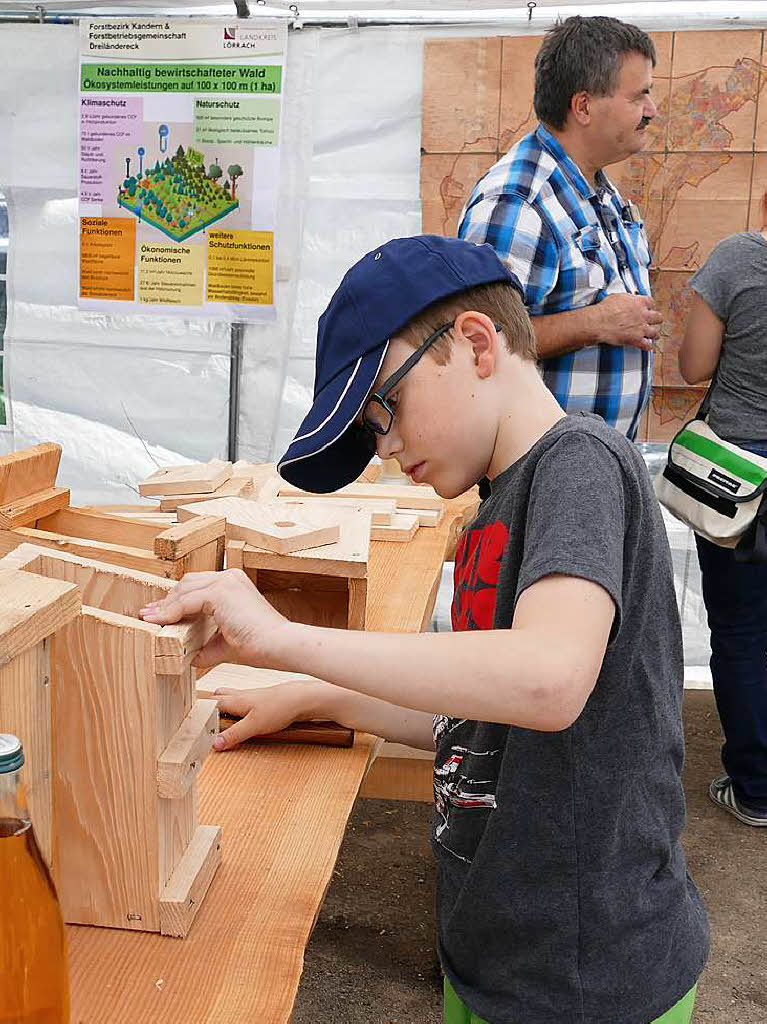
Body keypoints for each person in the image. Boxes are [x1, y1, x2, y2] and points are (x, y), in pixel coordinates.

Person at [142, 235, 708, 1024]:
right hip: (500, 956)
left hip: (587, 977)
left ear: (474, 343)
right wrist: (321, 697)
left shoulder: (578, 463)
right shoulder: (497, 503)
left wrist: (279, 637)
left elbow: (546, 681)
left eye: (385, 408)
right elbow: (488, 717)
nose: (385, 446)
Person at [459, 15, 663, 439]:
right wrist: (597, 323)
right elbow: (481, 341)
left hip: (590, 468)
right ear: (584, 106)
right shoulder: (517, 202)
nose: (651, 110)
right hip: (546, 476)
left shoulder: (598, 189)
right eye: (639, 95)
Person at [678, 205, 767, 827]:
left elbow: (693, 367)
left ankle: (757, 791)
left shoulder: (738, 258)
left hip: (737, 476)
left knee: (740, 631)